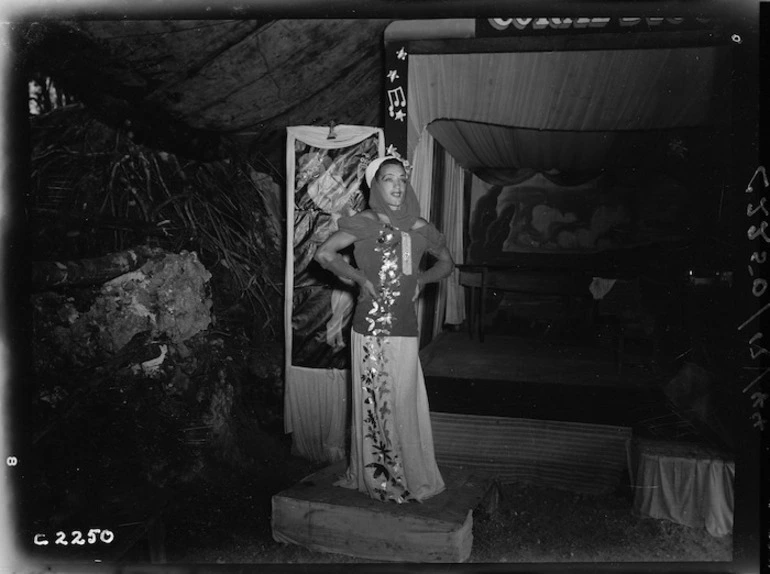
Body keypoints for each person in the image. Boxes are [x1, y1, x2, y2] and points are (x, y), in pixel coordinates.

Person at [314, 156, 454, 503]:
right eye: (388, 179)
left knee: (402, 401)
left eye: (402, 179)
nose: (396, 185)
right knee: (376, 404)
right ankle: (379, 477)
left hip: (405, 329)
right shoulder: (366, 222)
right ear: (376, 185)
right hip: (370, 329)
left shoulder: (420, 227)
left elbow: (447, 262)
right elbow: (324, 253)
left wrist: (423, 277)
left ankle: (407, 473)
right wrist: (359, 279)